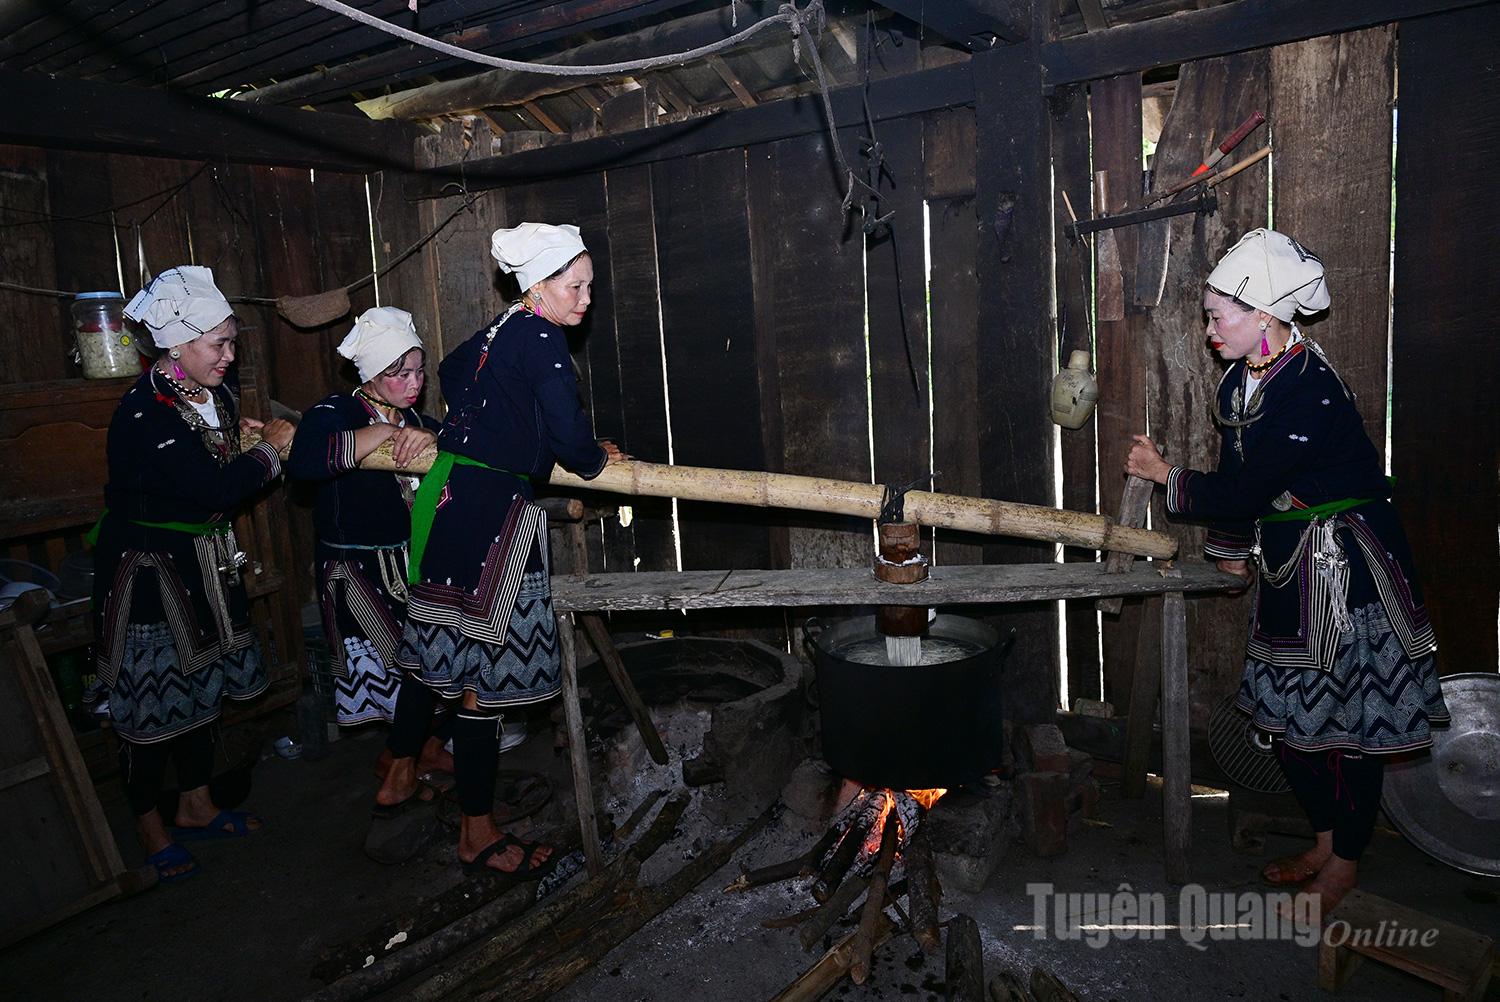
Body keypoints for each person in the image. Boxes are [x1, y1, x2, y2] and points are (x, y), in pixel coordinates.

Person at [1125, 229, 1449, 911]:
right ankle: (1328, 841)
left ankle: (1344, 863)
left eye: (1219, 316)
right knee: (1298, 732)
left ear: (1265, 316)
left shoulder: (1305, 387)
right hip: (1295, 570)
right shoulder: (1250, 378)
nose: (1210, 330)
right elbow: (1245, 473)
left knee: (1348, 733)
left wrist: (1165, 477)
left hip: (1349, 575)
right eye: (1209, 316)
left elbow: (1245, 487)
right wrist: (1230, 553)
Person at [373, 222, 624, 875]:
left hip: (450, 499)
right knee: (483, 686)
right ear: (538, 286)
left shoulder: (500, 329)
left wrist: (494, 432)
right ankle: (477, 834)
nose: (586, 299)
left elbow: (455, 371)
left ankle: (469, 813)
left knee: (459, 677)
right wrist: (595, 459)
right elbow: (572, 439)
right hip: (490, 516)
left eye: (590, 285)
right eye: (575, 286)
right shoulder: (541, 338)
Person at [90, 266, 296, 883]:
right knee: (154, 708)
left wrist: (240, 440)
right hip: (152, 578)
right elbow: (211, 490)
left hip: (204, 568)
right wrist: (272, 448)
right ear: (176, 346)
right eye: (219, 345)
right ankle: (150, 828)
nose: (229, 358)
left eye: (231, 342)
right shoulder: (145, 415)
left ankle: (196, 804)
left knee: (204, 690)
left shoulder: (210, 396)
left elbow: (214, 454)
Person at [287, 307, 453, 784]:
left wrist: (422, 433)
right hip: (356, 568)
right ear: (373, 375)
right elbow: (304, 462)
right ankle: (399, 759)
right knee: (404, 667)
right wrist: (375, 434)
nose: (413, 380)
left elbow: (453, 447)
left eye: (418, 370)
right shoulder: (334, 412)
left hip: (409, 561)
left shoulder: (417, 417)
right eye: (399, 373)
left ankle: (423, 749)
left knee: (438, 661)